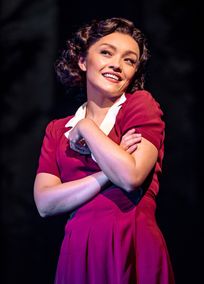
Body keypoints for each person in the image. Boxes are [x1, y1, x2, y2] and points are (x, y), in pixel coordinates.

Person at [34, 17, 175, 284]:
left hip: (130, 239)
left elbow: (130, 177)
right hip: (78, 249)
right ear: (83, 61)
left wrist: (88, 128)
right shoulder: (57, 129)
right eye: (107, 52)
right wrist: (104, 174)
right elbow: (45, 203)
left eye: (129, 60)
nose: (117, 65)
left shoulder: (139, 106)